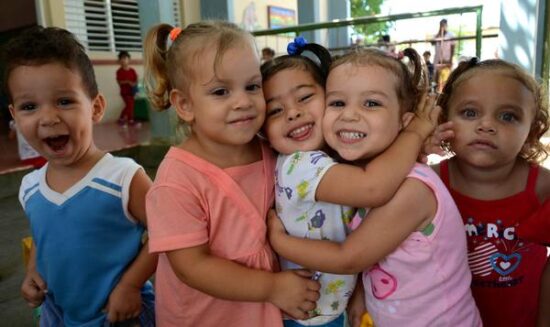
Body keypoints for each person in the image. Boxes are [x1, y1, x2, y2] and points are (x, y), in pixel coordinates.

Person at [268, 47, 482, 326]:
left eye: (371, 103)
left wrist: (279, 242)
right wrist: (361, 294)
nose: (349, 115)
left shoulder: (411, 190)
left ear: (404, 121)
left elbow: (350, 257)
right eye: (337, 103)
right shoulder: (355, 170)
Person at [143, 21, 320, 327]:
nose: (243, 102)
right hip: (206, 317)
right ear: (184, 105)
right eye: (221, 91)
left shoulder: (269, 148)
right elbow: (192, 267)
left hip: (264, 313)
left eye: (252, 86)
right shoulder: (177, 181)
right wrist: (273, 287)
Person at [4, 26, 157, 326]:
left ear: (96, 107)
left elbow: (168, 233)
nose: (48, 118)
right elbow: (42, 233)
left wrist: (131, 284)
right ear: (15, 116)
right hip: (59, 314)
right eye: (29, 106)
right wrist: (34, 269)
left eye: (64, 101)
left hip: (121, 315)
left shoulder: (123, 178)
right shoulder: (30, 187)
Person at [432, 58, 550, 326]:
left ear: (532, 130)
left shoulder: (543, 188)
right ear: (445, 120)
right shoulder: (429, 184)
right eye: (470, 113)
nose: (486, 125)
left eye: (508, 116)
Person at [432, 19, 456, 93]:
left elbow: (453, 47)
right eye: (441, 25)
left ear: (446, 25)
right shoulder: (436, 35)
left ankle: (446, 92)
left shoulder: (451, 35)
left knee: (447, 78)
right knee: (437, 77)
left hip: (447, 60)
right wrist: (439, 34)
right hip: (437, 59)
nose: (442, 26)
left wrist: (450, 60)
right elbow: (432, 43)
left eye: (443, 25)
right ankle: (436, 93)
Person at [116, 50, 139, 127]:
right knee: (129, 105)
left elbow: (136, 80)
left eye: (125, 58)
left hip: (132, 92)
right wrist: (128, 82)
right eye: (122, 58)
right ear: (119, 60)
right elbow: (119, 82)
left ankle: (129, 120)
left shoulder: (132, 70)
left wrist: (134, 84)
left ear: (129, 59)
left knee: (130, 106)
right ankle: (123, 119)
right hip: (125, 92)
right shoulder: (119, 71)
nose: (124, 60)